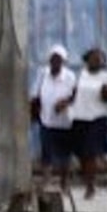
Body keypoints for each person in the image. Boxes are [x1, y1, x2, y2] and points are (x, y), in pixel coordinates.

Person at [68, 47, 107, 199]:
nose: (98, 61)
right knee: (81, 154)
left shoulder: (106, 76)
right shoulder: (81, 75)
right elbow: (75, 93)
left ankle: (90, 186)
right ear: (87, 59)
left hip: (96, 117)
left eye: (100, 59)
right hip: (79, 116)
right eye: (95, 58)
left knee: (91, 153)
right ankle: (87, 180)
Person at [30, 44, 77, 190]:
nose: (55, 62)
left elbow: (75, 95)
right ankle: (46, 182)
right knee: (47, 154)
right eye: (53, 59)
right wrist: (32, 113)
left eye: (59, 59)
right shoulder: (42, 74)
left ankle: (64, 183)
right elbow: (35, 95)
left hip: (65, 122)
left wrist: (65, 103)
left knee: (65, 155)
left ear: (63, 61)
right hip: (47, 120)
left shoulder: (70, 76)